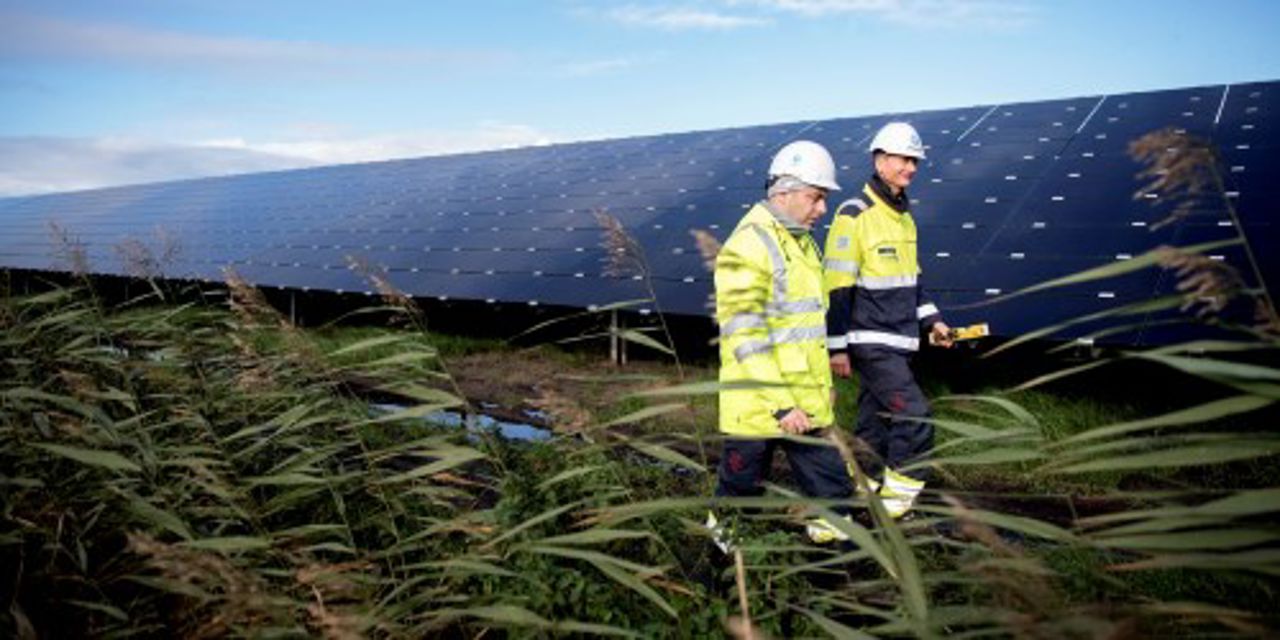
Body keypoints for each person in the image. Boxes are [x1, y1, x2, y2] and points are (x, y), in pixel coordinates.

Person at [708, 140, 854, 549]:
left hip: (805, 403)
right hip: (760, 406)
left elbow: (806, 328)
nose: (822, 210)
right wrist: (780, 402)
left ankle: (835, 573)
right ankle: (719, 578)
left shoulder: (803, 242)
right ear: (784, 192)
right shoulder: (749, 244)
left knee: (834, 493)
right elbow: (746, 333)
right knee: (739, 497)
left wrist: (820, 388)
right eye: (816, 197)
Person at [822, 122, 952, 519]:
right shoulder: (853, 214)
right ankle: (896, 506)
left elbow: (913, 282)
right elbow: (837, 285)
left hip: (902, 340)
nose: (910, 167)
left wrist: (934, 322)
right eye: (903, 159)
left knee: (875, 424)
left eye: (915, 160)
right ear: (880, 161)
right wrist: (837, 346)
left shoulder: (904, 218)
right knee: (914, 416)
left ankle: (857, 490)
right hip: (871, 341)